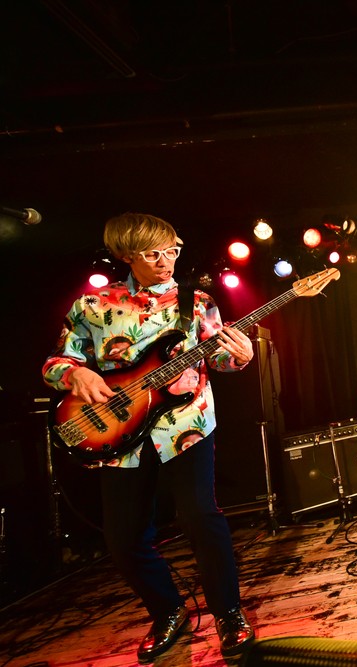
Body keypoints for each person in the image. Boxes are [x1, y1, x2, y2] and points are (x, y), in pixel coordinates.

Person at [42, 213, 256, 662]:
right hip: (119, 430)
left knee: (201, 517)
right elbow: (56, 362)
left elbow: (218, 359)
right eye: (154, 254)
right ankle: (168, 611)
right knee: (123, 539)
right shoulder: (93, 305)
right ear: (126, 255)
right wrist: (76, 374)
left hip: (186, 425)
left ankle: (229, 614)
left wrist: (240, 356)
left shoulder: (197, 301)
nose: (166, 261)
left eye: (172, 250)